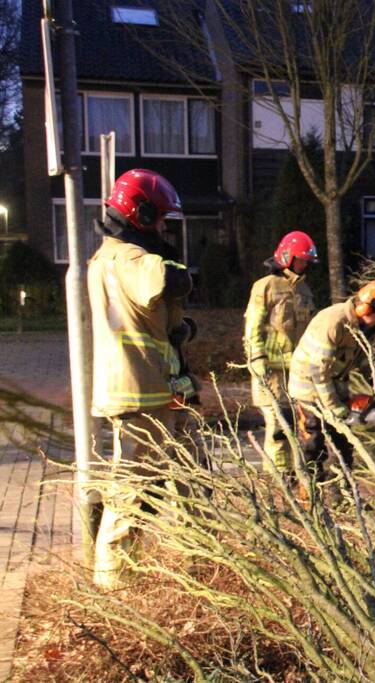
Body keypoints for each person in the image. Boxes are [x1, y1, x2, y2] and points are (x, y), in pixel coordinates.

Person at [87, 169, 193, 589]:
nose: (164, 227)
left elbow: (149, 315)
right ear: (141, 212)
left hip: (144, 388)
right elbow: (166, 278)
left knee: (148, 488)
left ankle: (129, 571)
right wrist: (173, 266)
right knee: (131, 492)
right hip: (138, 389)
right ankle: (114, 583)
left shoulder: (107, 257)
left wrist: (176, 329)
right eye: (160, 218)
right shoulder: (127, 256)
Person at [287, 280, 375, 484]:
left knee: (344, 444)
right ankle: (310, 498)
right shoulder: (334, 322)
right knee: (314, 443)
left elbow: (365, 361)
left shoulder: (365, 327)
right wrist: (335, 407)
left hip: (335, 384)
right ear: (368, 308)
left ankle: (343, 496)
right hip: (309, 388)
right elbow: (318, 370)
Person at [243, 231, 318, 473]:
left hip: (297, 370)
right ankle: (281, 477)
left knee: (303, 425)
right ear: (287, 257)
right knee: (278, 426)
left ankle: (300, 474)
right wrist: (257, 357)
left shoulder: (304, 290)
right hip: (271, 371)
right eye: (301, 259)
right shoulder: (265, 287)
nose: (305, 264)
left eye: (307, 261)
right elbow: (253, 324)